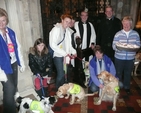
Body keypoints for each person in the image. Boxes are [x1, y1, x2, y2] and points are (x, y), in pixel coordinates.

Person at [0, 8, 25, 113]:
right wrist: (0, 72)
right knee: (10, 89)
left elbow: (17, 47)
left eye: (3, 20)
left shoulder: (11, 32)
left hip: (13, 63)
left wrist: (21, 62)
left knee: (13, 87)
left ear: (7, 20)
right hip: (3, 67)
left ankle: (10, 106)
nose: (1, 23)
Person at [112, 16, 141, 94]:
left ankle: (127, 87)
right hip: (119, 57)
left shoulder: (135, 34)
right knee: (118, 73)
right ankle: (117, 87)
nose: (126, 25)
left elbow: (138, 45)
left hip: (130, 58)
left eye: (128, 24)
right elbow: (114, 46)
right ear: (122, 24)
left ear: (131, 24)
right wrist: (120, 48)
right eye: (124, 24)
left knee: (128, 73)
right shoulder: (118, 34)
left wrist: (133, 48)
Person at [49, 14, 77, 91]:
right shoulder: (56, 29)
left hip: (66, 55)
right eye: (66, 22)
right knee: (61, 74)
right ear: (62, 20)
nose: (67, 24)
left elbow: (69, 45)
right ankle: (59, 90)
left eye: (69, 22)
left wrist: (74, 52)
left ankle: (63, 88)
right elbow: (52, 44)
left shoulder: (67, 31)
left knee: (65, 73)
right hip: (58, 55)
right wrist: (64, 54)